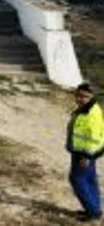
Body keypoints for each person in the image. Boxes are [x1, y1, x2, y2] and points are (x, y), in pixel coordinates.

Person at [66, 83, 104, 222]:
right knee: (89, 179)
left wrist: (87, 156)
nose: (80, 99)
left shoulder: (91, 113)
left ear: (92, 96)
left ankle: (93, 212)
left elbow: (94, 137)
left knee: (77, 179)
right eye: (79, 95)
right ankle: (95, 209)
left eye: (85, 96)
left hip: (84, 153)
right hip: (84, 151)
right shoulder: (86, 108)